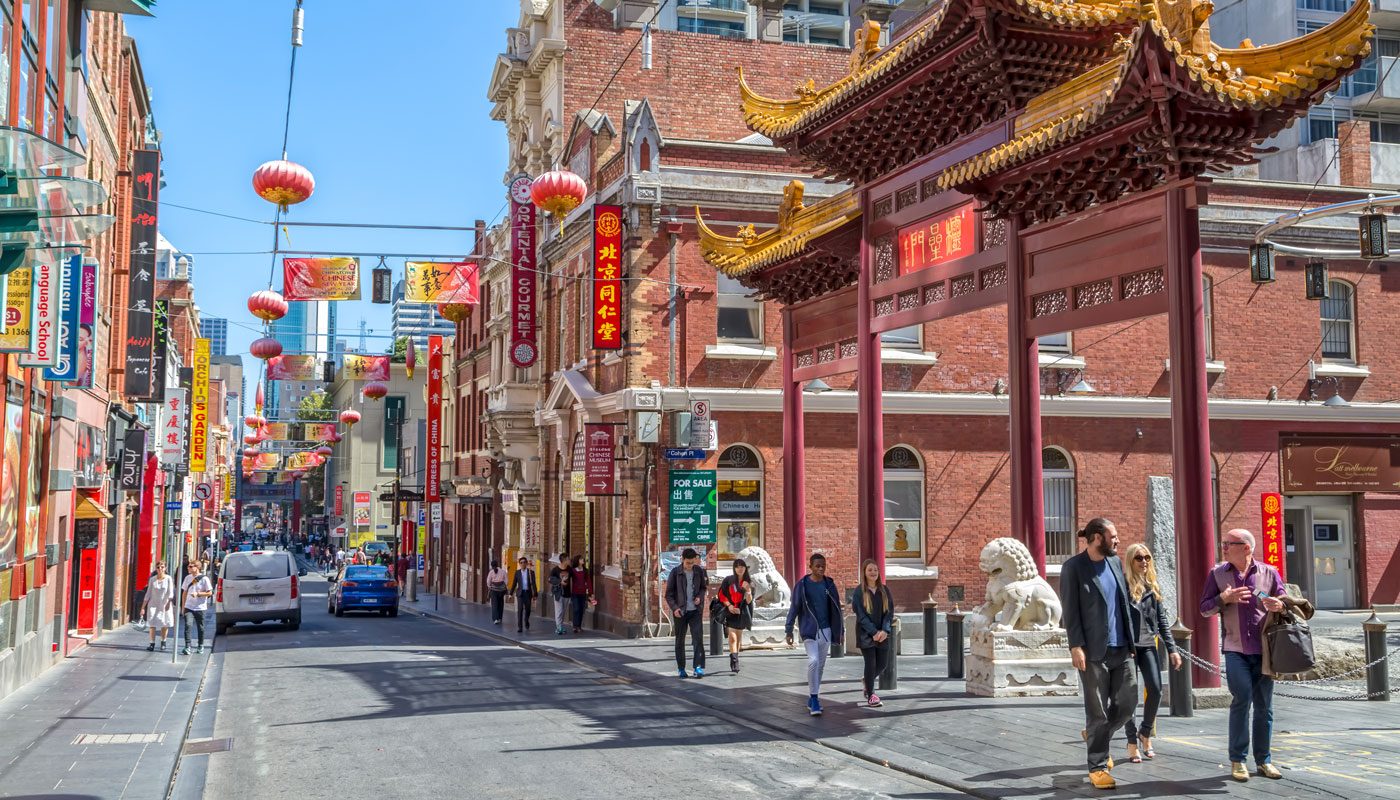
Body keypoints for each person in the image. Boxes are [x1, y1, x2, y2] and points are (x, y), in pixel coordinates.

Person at [1061, 518, 1141, 790]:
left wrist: (1133, 642)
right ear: (1097, 538)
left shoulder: (1116, 563)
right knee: (1097, 712)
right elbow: (1070, 611)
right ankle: (1097, 765)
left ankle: (1098, 736)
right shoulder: (1074, 568)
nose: (1118, 540)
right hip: (1093, 651)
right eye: (1113, 536)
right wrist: (1075, 646)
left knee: (1128, 703)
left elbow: (1124, 604)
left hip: (1122, 648)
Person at [1200, 529, 1286, 783]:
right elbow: (1204, 608)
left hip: (1265, 650)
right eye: (1223, 542)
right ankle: (1238, 760)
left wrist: (1279, 604)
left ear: (1246, 548)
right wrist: (1223, 598)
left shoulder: (1268, 572)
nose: (1224, 547)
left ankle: (1264, 761)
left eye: (1229, 543)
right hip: (1235, 648)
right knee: (1242, 698)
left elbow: (1283, 600)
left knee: (1264, 708)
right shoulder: (1218, 574)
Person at [1122, 543, 1183, 763]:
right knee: (1129, 696)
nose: (1144, 562)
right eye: (1139, 558)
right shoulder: (1123, 586)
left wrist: (1172, 649)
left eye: (1147, 557)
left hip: (1148, 646)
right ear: (1131, 560)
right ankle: (1131, 741)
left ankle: (1145, 732)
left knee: (1155, 690)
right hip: (1128, 650)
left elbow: (1163, 620)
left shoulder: (1152, 587)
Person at [785, 552, 843, 716]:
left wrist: (841, 631)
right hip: (809, 630)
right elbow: (794, 607)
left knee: (821, 665)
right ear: (810, 567)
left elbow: (837, 609)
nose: (821, 569)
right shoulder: (802, 585)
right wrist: (789, 629)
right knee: (813, 661)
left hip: (826, 631)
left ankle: (814, 697)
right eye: (817, 566)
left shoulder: (829, 584)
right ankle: (814, 697)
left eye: (823, 566)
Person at [854, 558, 894, 708]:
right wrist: (873, 632)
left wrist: (884, 630)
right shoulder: (859, 592)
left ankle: (867, 680)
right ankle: (871, 695)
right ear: (864, 572)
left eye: (875, 570)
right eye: (870, 570)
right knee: (870, 663)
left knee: (882, 664)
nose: (873, 573)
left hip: (882, 634)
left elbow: (889, 612)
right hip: (866, 634)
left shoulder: (885, 590)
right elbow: (860, 615)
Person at [665, 548, 708, 678]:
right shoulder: (675, 573)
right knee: (680, 640)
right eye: (688, 563)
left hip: (695, 611)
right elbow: (669, 595)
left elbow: (702, 588)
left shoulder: (699, 571)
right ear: (682, 560)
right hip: (680, 611)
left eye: (692, 562)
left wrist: (699, 597)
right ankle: (681, 668)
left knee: (698, 638)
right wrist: (675, 608)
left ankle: (698, 667)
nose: (690, 565)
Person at [717, 558, 753, 674]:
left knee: (738, 637)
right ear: (734, 568)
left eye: (742, 566)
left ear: (745, 568)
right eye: (737, 566)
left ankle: (735, 657)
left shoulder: (748, 582)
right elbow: (721, 594)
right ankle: (734, 660)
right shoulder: (729, 580)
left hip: (741, 613)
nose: (740, 569)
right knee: (732, 637)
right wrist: (729, 606)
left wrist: (748, 591)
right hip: (731, 611)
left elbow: (748, 601)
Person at [180, 559, 215, 655]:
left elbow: (210, 592)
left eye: (191, 567)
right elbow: (184, 593)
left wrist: (198, 594)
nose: (189, 568)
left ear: (197, 568)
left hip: (200, 607)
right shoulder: (187, 578)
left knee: (200, 627)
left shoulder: (204, 579)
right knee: (188, 625)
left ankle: (200, 645)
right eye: (188, 567)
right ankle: (187, 646)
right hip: (189, 606)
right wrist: (183, 607)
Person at [142, 561, 176, 652]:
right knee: (152, 624)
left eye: (162, 567)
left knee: (164, 624)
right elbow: (148, 593)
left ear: (165, 568)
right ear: (156, 569)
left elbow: (171, 592)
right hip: (153, 604)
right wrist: (142, 608)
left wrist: (168, 603)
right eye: (158, 567)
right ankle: (151, 644)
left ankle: (163, 642)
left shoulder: (168, 578)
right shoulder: (153, 579)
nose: (160, 569)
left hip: (165, 604)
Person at [511, 557, 537, 633]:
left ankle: (526, 620)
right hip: (520, 593)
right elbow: (514, 583)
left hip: (528, 593)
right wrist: (510, 594)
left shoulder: (531, 572)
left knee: (528, 609)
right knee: (520, 610)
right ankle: (520, 627)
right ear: (519, 564)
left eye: (524, 562)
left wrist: (535, 594)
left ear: (526, 563)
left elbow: (533, 583)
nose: (523, 564)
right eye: (521, 563)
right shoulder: (517, 573)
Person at [568, 555, 593, 633]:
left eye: (583, 559)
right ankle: (575, 626)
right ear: (577, 560)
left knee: (582, 609)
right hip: (575, 592)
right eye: (581, 559)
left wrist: (591, 593)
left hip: (582, 592)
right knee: (576, 609)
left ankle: (579, 626)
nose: (583, 560)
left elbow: (588, 582)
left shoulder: (585, 571)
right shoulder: (573, 570)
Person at [548, 557, 570, 635]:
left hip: (567, 593)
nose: (569, 560)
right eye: (568, 559)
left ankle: (560, 626)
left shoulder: (569, 569)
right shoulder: (555, 570)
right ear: (564, 561)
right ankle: (559, 627)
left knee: (563, 611)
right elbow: (550, 579)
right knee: (559, 610)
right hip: (558, 592)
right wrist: (560, 582)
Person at [486, 560, 508, 625]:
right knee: (501, 603)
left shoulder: (491, 572)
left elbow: (488, 581)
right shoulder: (503, 571)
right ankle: (500, 618)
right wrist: (503, 586)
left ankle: (496, 619)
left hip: (494, 590)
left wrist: (490, 587)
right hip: (501, 591)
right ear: (497, 564)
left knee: (494, 604)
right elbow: (506, 580)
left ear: (492, 566)